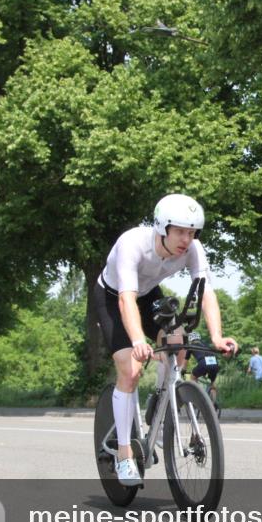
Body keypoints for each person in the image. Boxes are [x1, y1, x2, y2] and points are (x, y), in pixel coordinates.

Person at [92, 193, 238, 486]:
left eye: (193, 232)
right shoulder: (132, 244)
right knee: (131, 370)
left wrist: (217, 336)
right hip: (114, 297)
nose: (188, 239)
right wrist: (137, 341)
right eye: (181, 232)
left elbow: (206, 292)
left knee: (178, 344)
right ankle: (124, 455)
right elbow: (126, 299)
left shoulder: (193, 249)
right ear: (162, 228)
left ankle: (160, 407)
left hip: (148, 297)